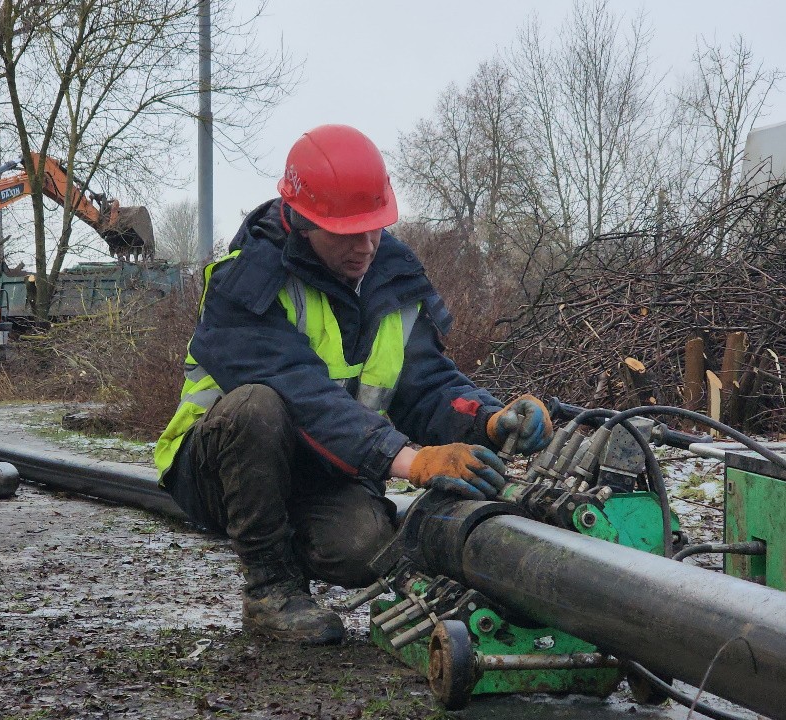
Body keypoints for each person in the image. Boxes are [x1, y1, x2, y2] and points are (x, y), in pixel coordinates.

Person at [153, 124, 552, 645]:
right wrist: (411, 461)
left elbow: (425, 382)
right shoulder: (246, 282)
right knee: (258, 407)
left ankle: (287, 536)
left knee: (368, 552)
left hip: (322, 467)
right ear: (301, 221)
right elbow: (302, 397)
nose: (365, 246)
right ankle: (270, 588)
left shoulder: (391, 273)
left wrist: (488, 419)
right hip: (217, 465)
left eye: (375, 228)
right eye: (347, 233)